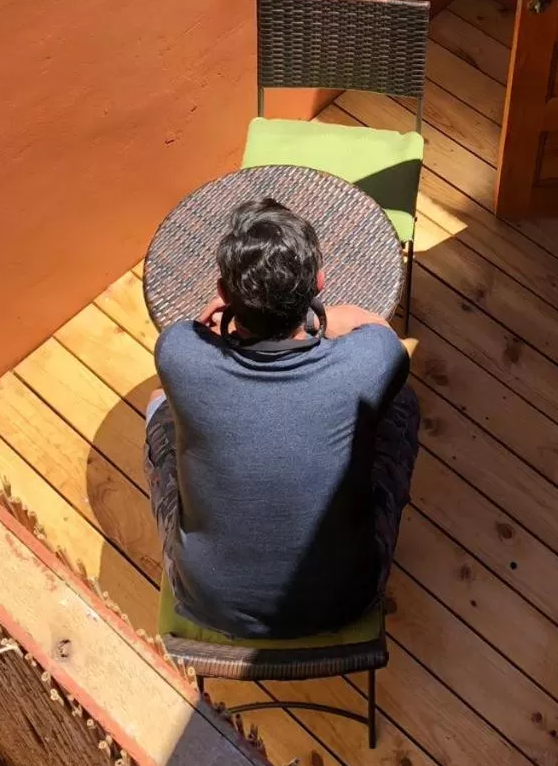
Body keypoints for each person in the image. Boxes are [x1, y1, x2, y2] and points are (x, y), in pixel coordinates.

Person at [144, 196, 420, 639]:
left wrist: (211, 333)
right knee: (401, 402)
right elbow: (386, 340)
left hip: (205, 599)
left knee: (160, 400)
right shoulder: (366, 361)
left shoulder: (178, 353)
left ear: (223, 293)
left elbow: (188, 338)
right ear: (320, 282)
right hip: (348, 598)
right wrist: (336, 321)